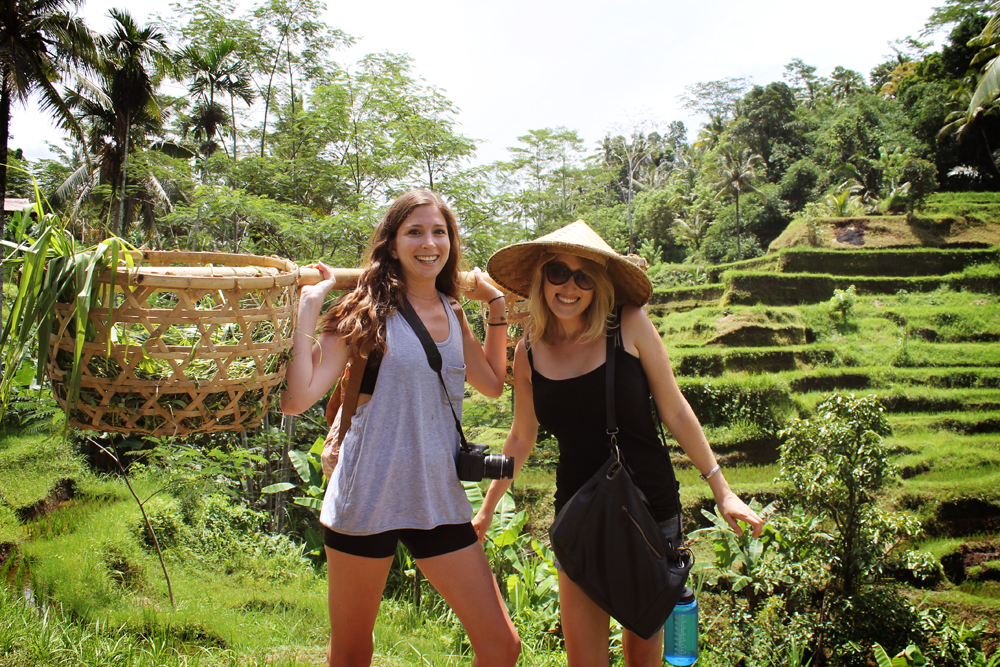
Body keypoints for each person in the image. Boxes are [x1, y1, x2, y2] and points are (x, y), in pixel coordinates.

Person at [472, 220, 764, 667]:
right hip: (578, 514)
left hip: (647, 509)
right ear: (540, 277)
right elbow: (520, 435)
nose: (569, 287)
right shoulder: (528, 349)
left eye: (584, 276)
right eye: (558, 273)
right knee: (584, 659)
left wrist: (722, 491)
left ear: (599, 284)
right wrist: (488, 507)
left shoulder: (628, 324)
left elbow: (676, 409)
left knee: (640, 657)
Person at [281, 190, 521, 667]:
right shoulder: (363, 312)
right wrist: (309, 308)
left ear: (451, 242)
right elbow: (296, 398)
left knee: (501, 647)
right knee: (352, 653)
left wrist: (494, 304)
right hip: (367, 493)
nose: (429, 243)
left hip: (437, 496)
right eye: (415, 232)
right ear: (392, 244)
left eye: (439, 232)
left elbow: (493, 384)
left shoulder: (453, 312)